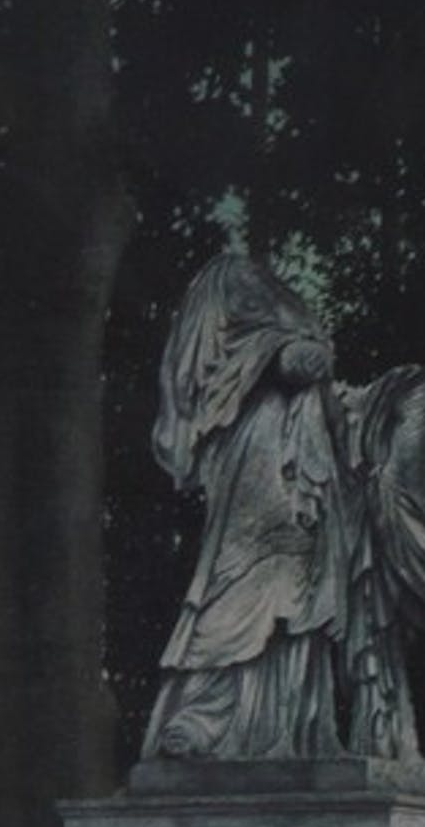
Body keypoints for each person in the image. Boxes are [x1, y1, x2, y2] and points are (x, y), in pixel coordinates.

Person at [141, 255, 357, 760]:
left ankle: (286, 726)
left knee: (295, 588)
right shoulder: (233, 285)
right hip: (259, 457)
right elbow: (296, 361)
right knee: (244, 573)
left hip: (302, 464)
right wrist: (297, 349)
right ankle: (205, 714)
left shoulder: (263, 308)